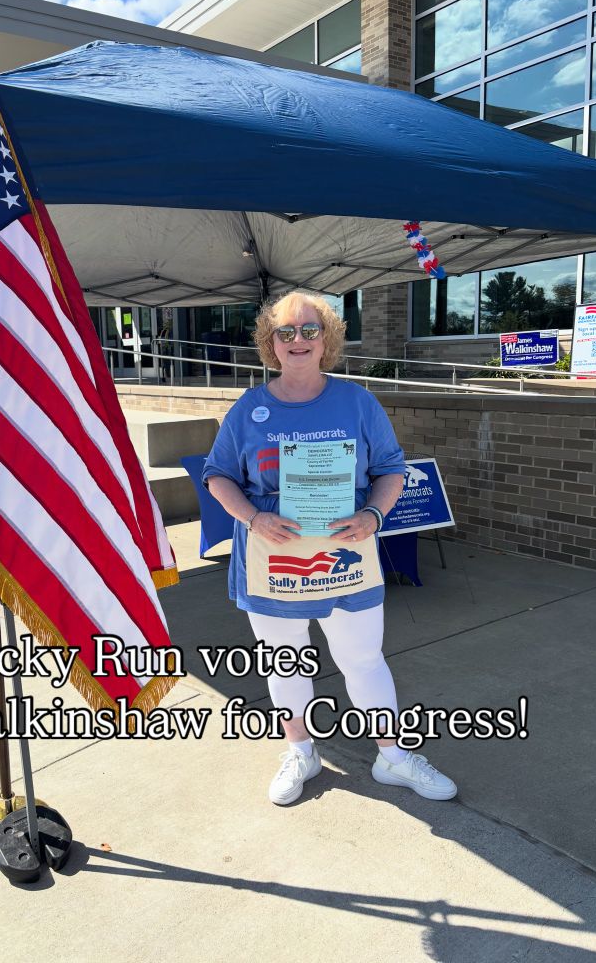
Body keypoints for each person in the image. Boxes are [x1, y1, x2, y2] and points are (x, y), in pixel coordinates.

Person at [203, 290, 457, 806]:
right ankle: (301, 751)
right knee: (284, 661)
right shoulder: (250, 407)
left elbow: (389, 468)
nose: (298, 340)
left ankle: (393, 757)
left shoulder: (357, 402)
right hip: (272, 558)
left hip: (348, 554)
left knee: (363, 659)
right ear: (270, 343)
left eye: (309, 330)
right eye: (286, 332)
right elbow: (218, 476)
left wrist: (373, 514)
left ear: (327, 339)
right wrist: (253, 516)